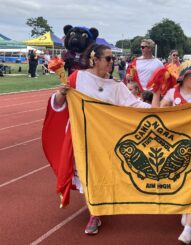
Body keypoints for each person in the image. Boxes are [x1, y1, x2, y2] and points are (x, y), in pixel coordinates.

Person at [44, 43, 160, 236]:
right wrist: (60, 94)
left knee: (101, 173)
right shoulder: (77, 78)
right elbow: (58, 104)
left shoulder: (115, 85)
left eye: (112, 59)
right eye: (107, 58)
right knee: (88, 174)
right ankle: (95, 212)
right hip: (82, 137)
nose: (111, 62)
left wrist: (158, 110)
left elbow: (133, 104)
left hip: (105, 138)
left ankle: (98, 207)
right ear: (94, 59)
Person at [154, 57, 191, 244]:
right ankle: (185, 208)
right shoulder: (172, 93)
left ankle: (189, 228)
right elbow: (159, 113)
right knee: (180, 180)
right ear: (183, 77)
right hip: (176, 148)